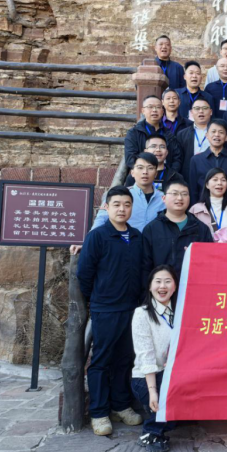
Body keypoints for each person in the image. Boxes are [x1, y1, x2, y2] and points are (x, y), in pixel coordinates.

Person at [77, 186, 144, 436]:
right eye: (116, 204)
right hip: (106, 308)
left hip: (132, 309)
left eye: (127, 204)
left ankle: (121, 405)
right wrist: (98, 298)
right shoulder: (97, 236)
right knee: (102, 360)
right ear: (106, 207)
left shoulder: (136, 237)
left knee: (125, 358)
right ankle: (99, 412)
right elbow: (84, 274)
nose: (122, 209)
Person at [131, 265, 179, 452]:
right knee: (168, 398)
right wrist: (153, 392)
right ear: (150, 286)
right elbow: (146, 356)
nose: (162, 286)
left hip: (172, 374)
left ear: (175, 286)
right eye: (158, 281)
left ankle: (163, 418)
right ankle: (150, 432)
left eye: (168, 281)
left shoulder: (180, 312)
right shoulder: (142, 314)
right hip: (147, 378)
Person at [141, 179, 213, 281]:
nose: (179, 198)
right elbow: (145, 267)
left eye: (184, 194)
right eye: (174, 193)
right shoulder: (151, 229)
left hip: (192, 285)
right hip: (162, 288)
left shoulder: (201, 229)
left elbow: (209, 263)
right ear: (164, 198)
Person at [91, 153, 164, 233]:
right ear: (132, 172)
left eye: (150, 168)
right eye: (140, 168)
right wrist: (91, 239)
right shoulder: (117, 194)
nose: (145, 172)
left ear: (156, 173)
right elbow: (101, 219)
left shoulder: (164, 199)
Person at [187, 120, 227, 204]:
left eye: (221, 132)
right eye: (213, 131)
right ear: (207, 135)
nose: (217, 135)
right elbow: (193, 189)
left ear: (226, 137)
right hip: (204, 206)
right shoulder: (196, 160)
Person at [125, 95, 182, 173]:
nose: (154, 110)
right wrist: (147, 172)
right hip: (143, 175)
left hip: (166, 176)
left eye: (158, 107)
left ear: (162, 111)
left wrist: (170, 174)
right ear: (143, 111)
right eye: (150, 107)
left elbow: (177, 158)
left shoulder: (169, 134)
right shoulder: (134, 133)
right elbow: (130, 158)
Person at [190, 168, 227, 242]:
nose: (219, 183)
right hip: (203, 249)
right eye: (215, 180)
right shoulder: (195, 210)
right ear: (207, 185)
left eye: (223, 180)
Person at [176, 97, 212, 168]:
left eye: (205, 108)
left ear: (211, 112)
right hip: (190, 171)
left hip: (212, 170)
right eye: (197, 108)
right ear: (191, 112)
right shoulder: (182, 134)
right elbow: (179, 158)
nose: (201, 111)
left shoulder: (217, 133)